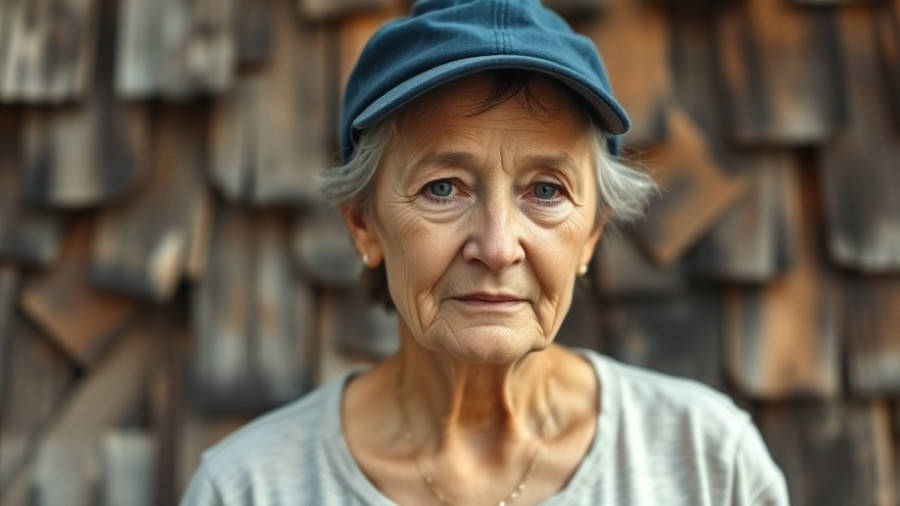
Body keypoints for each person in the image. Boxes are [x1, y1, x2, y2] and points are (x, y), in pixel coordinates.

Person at [181, 0, 790, 504]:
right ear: (364, 224)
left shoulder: (710, 465)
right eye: (443, 188)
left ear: (594, 234)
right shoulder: (248, 488)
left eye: (546, 190)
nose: (498, 247)